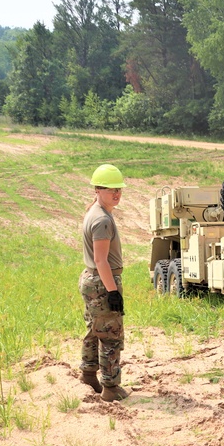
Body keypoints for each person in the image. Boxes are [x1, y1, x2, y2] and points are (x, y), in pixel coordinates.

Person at [79, 164, 131, 401]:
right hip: (102, 281)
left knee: (93, 330)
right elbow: (101, 260)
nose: (116, 194)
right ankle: (110, 388)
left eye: (118, 189)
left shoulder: (96, 211)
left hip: (92, 279)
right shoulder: (102, 220)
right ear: (98, 190)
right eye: (111, 190)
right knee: (111, 335)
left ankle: (88, 374)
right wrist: (113, 291)